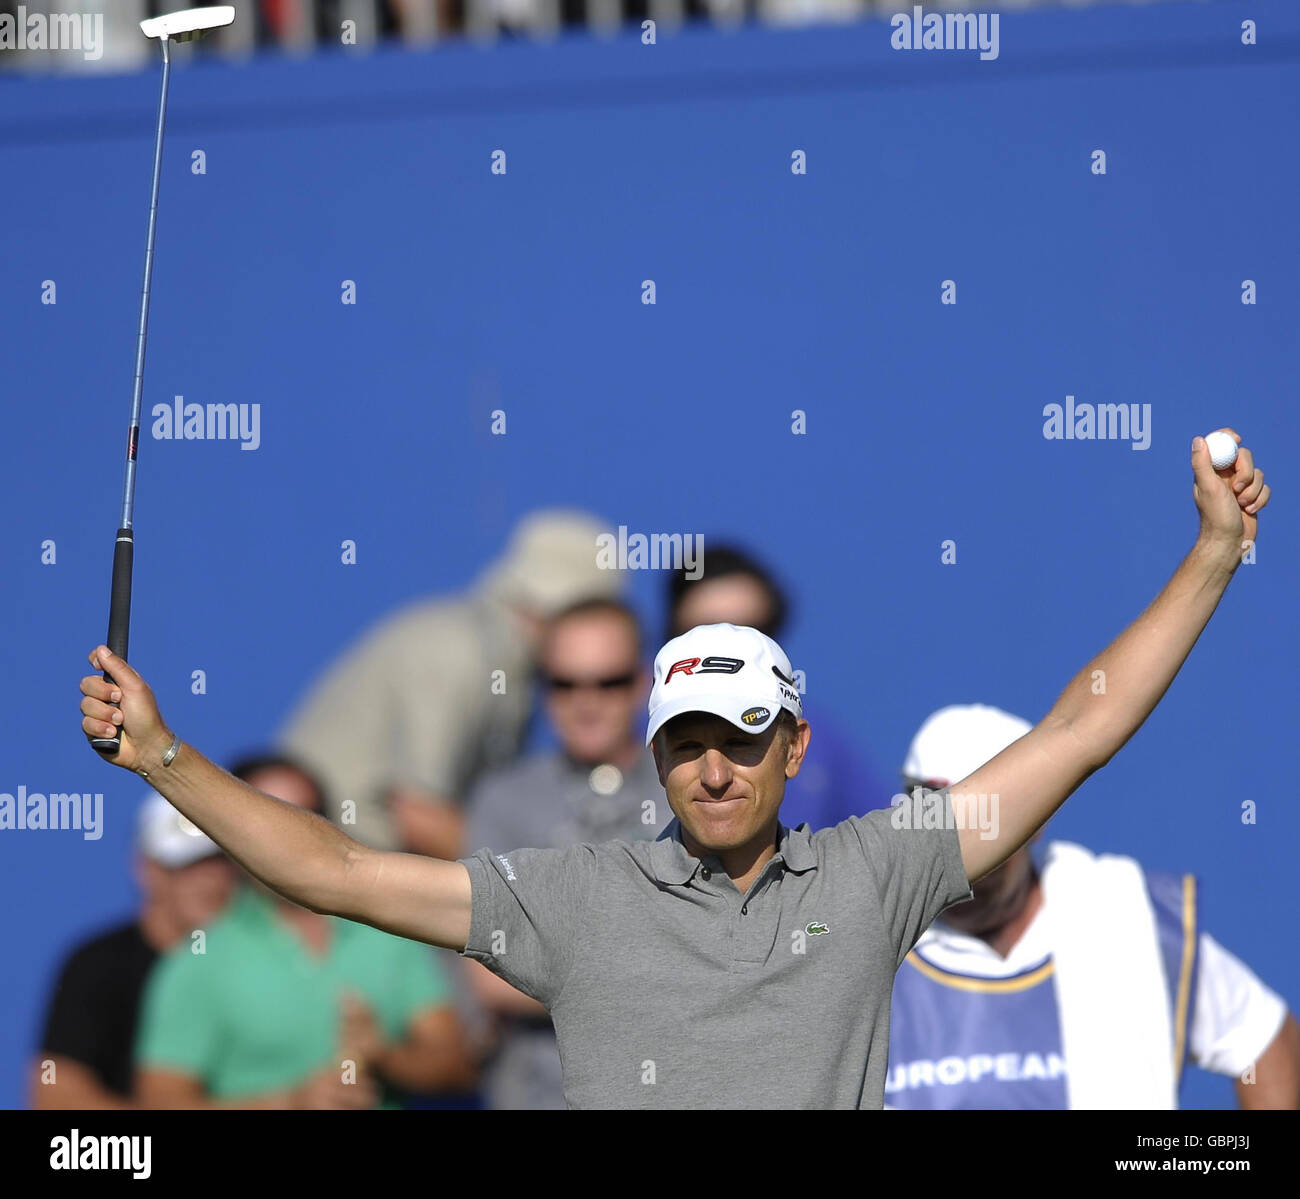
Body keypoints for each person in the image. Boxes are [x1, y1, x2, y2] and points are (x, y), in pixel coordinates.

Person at [79, 432, 1271, 1108]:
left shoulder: (870, 873)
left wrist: (1214, 554)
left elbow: (1079, 729)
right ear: (656, 759)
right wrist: (161, 755)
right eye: (688, 741)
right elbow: (337, 866)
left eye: (742, 737)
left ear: (794, 748)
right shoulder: (577, 898)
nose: (713, 767)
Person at [885, 704, 1300, 1110]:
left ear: (1037, 818)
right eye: (931, 810)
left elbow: (1260, 1037)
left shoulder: (1128, 919)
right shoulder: (860, 942)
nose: (955, 841)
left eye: (981, 817)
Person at [133, 755, 477, 1109]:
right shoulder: (198, 961)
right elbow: (162, 1102)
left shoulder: (389, 930)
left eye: (305, 818)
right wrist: (290, 1103)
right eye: (268, 822)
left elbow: (458, 1066)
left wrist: (388, 1058)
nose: (290, 842)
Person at [279, 509, 624, 860]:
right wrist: (542, 888)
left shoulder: (509, 667)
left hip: (360, 867)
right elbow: (417, 814)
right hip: (322, 870)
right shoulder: (454, 649)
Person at [464, 597, 671, 1109]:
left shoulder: (690, 790)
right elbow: (487, 975)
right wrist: (649, 974)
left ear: (643, 682)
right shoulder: (503, 800)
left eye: (609, 681)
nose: (586, 702)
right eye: (564, 683)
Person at [30, 793, 235, 1109]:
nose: (209, 881)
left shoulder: (263, 962)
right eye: (186, 866)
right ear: (147, 869)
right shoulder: (97, 964)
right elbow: (56, 1094)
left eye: (219, 863)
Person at [667, 543, 893, 826]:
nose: (730, 650)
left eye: (751, 631)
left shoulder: (821, 740)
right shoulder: (630, 728)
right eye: (707, 632)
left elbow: (890, 851)